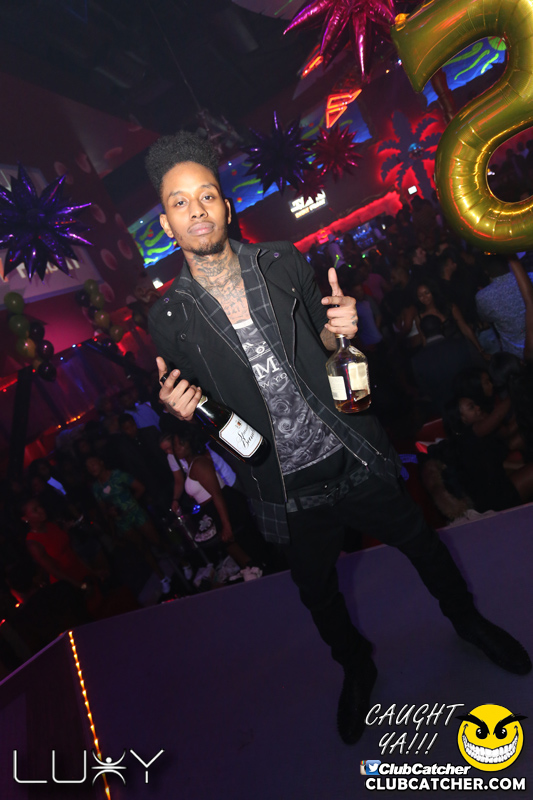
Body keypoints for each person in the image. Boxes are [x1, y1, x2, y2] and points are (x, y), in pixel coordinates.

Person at [145, 131, 531, 746]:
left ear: (226, 206)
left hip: (346, 449)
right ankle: (357, 667)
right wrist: (184, 409)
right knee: (318, 595)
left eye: (207, 195)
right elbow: (201, 404)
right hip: (283, 485)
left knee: (422, 544)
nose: (197, 210)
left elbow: (329, 343)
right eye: (180, 202)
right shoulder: (169, 318)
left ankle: (468, 622)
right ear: (166, 223)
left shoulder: (281, 261)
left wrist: (343, 329)